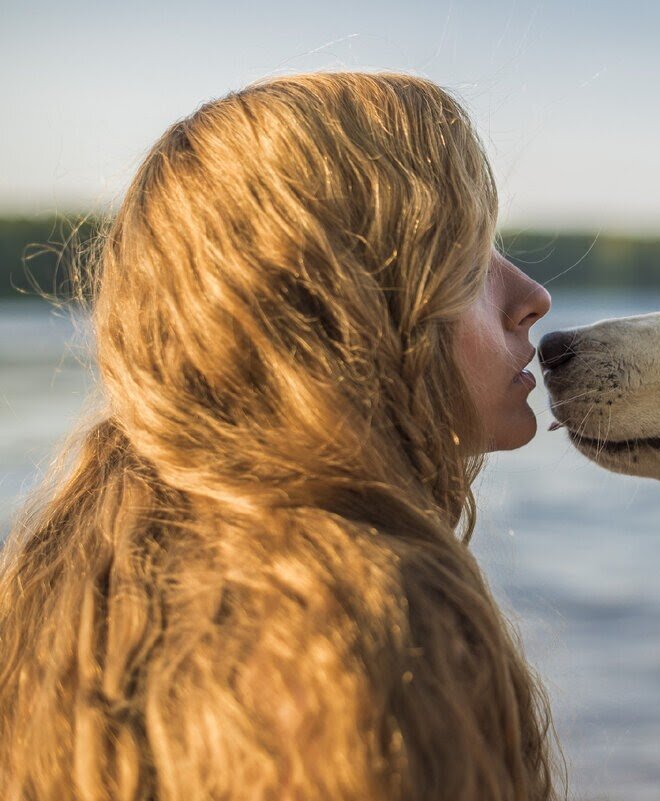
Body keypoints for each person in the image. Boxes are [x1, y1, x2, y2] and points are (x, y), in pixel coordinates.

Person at [0, 72, 558, 801]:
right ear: (343, 306)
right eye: (467, 258)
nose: (532, 298)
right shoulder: (369, 619)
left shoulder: (73, 590)